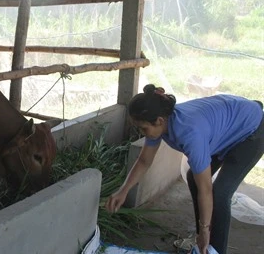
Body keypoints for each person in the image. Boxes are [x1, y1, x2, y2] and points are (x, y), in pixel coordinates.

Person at [105, 84, 264, 254]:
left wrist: (205, 230)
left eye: (144, 128)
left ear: (159, 120)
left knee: (220, 193)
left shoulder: (189, 134)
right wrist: (123, 190)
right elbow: (144, 161)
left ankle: (213, 250)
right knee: (192, 178)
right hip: (229, 123)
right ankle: (203, 241)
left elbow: (206, 190)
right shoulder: (161, 123)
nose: (143, 133)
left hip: (251, 131)